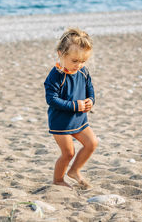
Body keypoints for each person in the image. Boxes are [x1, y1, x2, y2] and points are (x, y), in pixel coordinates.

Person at [44, 27, 98, 189]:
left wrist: (90, 101)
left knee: (92, 143)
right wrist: (75, 105)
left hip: (79, 119)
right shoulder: (55, 76)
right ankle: (58, 180)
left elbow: (90, 89)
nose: (79, 65)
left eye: (83, 61)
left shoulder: (83, 72)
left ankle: (74, 171)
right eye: (75, 61)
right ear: (61, 54)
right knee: (68, 153)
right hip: (60, 122)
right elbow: (51, 99)